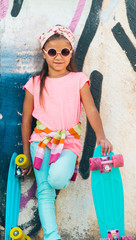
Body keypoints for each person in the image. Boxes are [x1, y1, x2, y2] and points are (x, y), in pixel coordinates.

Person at [21, 24, 112, 240]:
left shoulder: (79, 80)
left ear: (71, 52)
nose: (59, 56)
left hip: (69, 143)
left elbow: (90, 109)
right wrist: (26, 152)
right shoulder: (35, 83)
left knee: (58, 180)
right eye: (52, 52)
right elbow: (26, 120)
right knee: (44, 193)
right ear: (44, 53)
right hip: (40, 143)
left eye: (65, 51)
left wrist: (101, 135)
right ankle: (53, 236)